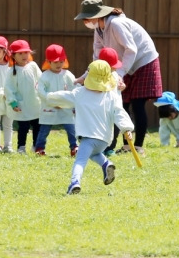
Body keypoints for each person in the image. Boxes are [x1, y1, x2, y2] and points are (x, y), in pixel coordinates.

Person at [74, 0, 162, 155]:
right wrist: (84, 77)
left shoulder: (116, 24)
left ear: (97, 16)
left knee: (137, 104)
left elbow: (131, 49)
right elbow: (98, 57)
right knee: (122, 104)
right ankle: (126, 146)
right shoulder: (98, 30)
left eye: (87, 18)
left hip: (144, 61)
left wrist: (120, 73)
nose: (85, 22)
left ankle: (138, 146)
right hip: (124, 65)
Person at [47, 60, 134, 195]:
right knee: (93, 153)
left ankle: (75, 183)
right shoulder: (111, 96)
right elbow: (119, 112)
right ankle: (106, 164)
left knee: (80, 161)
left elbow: (62, 97)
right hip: (104, 140)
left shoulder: (80, 93)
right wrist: (127, 129)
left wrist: (48, 96)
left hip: (88, 137)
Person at [36, 44, 78, 157]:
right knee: (44, 129)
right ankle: (39, 148)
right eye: (55, 62)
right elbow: (40, 92)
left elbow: (75, 89)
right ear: (48, 62)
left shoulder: (68, 75)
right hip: (49, 107)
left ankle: (74, 147)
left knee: (71, 129)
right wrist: (53, 101)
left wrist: (71, 104)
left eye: (61, 61)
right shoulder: (44, 76)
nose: (58, 64)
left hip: (66, 108)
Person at [5, 39, 42, 154]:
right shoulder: (11, 71)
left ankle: (36, 146)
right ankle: (21, 147)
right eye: (20, 53)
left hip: (35, 103)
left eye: (26, 52)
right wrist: (13, 102)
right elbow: (8, 88)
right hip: (22, 105)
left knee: (37, 126)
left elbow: (41, 80)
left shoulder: (33, 66)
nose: (24, 55)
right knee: (23, 127)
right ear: (13, 56)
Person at [98, 47, 126, 157]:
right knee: (102, 128)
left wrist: (122, 86)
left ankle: (110, 148)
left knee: (115, 128)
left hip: (115, 106)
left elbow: (120, 85)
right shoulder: (97, 75)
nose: (114, 68)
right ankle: (100, 148)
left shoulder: (115, 74)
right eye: (112, 66)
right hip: (102, 107)